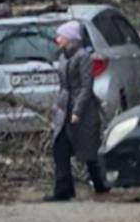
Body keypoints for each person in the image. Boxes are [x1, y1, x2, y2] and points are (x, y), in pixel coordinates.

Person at [45, 21, 110, 201]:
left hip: (84, 110)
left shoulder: (83, 57)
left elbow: (86, 86)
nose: (57, 39)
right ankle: (63, 190)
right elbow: (63, 85)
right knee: (60, 147)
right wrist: (58, 106)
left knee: (88, 149)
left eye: (61, 36)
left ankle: (100, 184)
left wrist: (78, 111)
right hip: (65, 107)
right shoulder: (63, 56)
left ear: (70, 39)